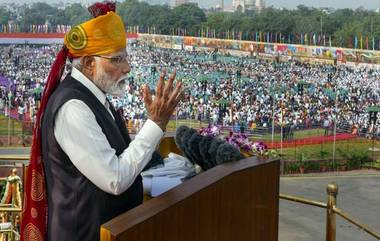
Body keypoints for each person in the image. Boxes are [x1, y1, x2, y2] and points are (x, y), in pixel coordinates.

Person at [21, 2, 183, 241]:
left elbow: (114, 163)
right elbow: (114, 178)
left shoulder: (95, 98)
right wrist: (155, 124)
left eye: (125, 58)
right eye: (117, 60)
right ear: (88, 63)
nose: (127, 68)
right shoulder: (73, 108)